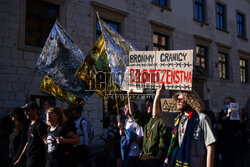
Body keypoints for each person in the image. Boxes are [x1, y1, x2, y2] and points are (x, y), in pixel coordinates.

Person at [162, 90, 216, 167]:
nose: (178, 101)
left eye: (180, 99)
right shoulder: (178, 119)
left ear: (190, 100)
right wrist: (158, 94)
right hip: (180, 162)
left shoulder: (202, 118)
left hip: (196, 163)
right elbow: (156, 114)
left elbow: (210, 147)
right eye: (177, 99)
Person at [128, 87, 172, 167]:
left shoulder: (162, 120)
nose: (147, 107)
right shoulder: (146, 120)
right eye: (146, 105)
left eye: (149, 105)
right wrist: (129, 97)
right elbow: (132, 113)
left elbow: (163, 140)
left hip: (155, 157)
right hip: (144, 157)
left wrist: (159, 155)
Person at [14, 102, 48, 167]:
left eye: (28, 111)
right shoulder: (30, 125)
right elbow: (28, 143)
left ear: (35, 110)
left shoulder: (40, 125)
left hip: (37, 161)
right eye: (25, 111)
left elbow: (46, 142)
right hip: (29, 160)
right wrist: (19, 159)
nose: (25, 113)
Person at [217, 97, 244, 167]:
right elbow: (219, 122)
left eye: (228, 103)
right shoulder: (222, 113)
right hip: (224, 140)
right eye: (225, 103)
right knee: (225, 161)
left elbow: (240, 127)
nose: (226, 104)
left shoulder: (236, 113)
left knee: (233, 160)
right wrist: (227, 115)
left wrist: (240, 116)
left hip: (233, 141)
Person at [119, 102, 143, 167]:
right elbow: (122, 134)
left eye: (126, 108)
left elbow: (140, 139)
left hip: (134, 153)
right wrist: (121, 128)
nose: (124, 109)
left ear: (132, 108)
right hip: (126, 151)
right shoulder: (126, 121)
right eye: (124, 108)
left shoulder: (137, 122)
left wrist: (130, 137)